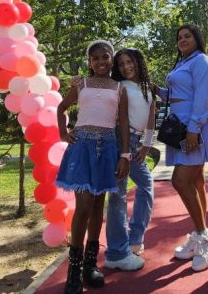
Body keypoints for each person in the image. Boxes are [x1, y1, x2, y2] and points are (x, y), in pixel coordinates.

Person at [55, 40, 130, 294]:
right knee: (84, 206)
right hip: (83, 147)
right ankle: (74, 269)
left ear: (112, 59)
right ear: (89, 61)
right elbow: (61, 107)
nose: (101, 62)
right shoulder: (80, 84)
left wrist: (125, 155)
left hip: (107, 148)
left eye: (105, 57)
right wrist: (63, 133)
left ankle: (90, 265)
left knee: (98, 206)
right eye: (95, 58)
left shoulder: (119, 88)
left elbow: (123, 123)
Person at [164, 24, 208, 272]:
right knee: (196, 181)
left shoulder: (202, 61)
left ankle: (203, 237)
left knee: (180, 180)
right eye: (179, 37)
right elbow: (177, 94)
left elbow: (202, 97)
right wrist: (154, 89)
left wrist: (193, 129)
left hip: (192, 126)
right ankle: (201, 234)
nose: (182, 39)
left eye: (187, 36)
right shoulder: (183, 62)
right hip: (181, 125)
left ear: (197, 38)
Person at [103, 48, 156, 271]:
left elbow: (151, 118)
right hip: (120, 139)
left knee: (146, 186)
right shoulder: (119, 86)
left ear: (138, 62)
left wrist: (147, 145)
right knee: (118, 195)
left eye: (129, 61)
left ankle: (134, 240)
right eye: (121, 64)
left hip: (135, 142)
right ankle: (116, 252)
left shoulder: (147, 87)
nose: (126, 67)